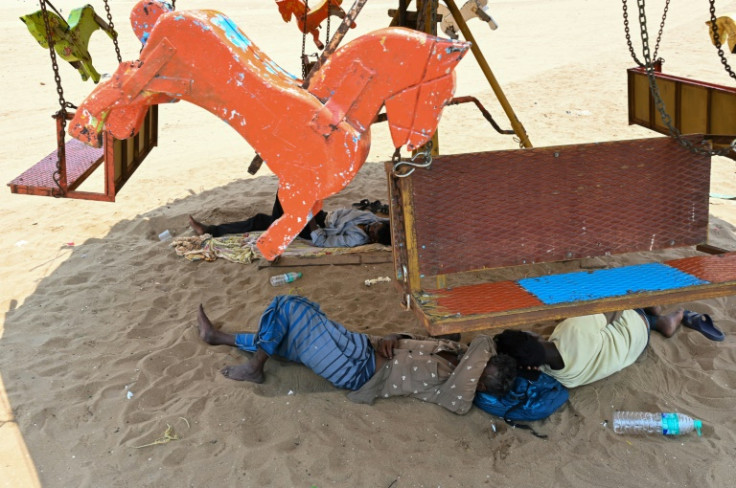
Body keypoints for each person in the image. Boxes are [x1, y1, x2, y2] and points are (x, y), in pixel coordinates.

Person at [196, 295, 518, 414]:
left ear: (482, 386)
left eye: (481, 375)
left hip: (358, 374)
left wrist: (482, 370)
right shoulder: (457, 353)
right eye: (483, 367)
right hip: (363, 346)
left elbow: (484, 344)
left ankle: (254, 366)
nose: (475, 370)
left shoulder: (458, 394)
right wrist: (394, 337)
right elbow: (481, 344)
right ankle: (218, 337)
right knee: (290, 324)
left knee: (291, 308)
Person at [493, 307, 685, 388]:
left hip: (630, 352)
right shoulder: (574, 330)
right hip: (635, 331)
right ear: (531, 335)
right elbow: (613, 307)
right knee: (616, 287)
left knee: (599, 329)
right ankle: (656, 315)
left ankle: (660, 322)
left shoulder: (547, 371)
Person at [188, 196, 391, 247]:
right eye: (376, 224)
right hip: (325, 217)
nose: (372, 225)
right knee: (262, 220)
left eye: (372, 230)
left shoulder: (355, 239)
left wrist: (309, 219)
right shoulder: (372, 219)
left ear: (372, 238)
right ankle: (212, 230)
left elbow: (322, 241)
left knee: (284, 198)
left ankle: (281, 224)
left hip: (314, 229)